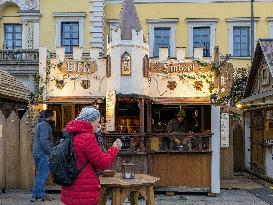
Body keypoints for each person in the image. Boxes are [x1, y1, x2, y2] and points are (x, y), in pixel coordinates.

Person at [61, 106, 122, 205]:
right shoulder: (87, 138)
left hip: (71, 186)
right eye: (97, 122)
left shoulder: (70, 134)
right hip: (84, 191)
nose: (99, 125)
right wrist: (115, 149)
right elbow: (102, 163)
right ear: (90, 121)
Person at [31, 109, 55, 202]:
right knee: (43, 175)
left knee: (39, 174)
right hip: (43, 153)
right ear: (51, 116)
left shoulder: (39, 124)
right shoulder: (45, 125)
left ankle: (35, 195)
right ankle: (40, 195)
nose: (53, 118)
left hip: (37, 152)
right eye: (53, 116)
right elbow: (44, 141)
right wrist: (50, 152)